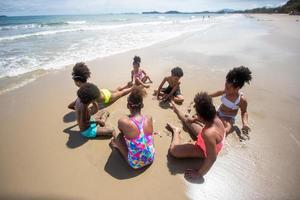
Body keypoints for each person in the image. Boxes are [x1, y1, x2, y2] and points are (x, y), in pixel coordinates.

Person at [167, 92, 225, 180]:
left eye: (197, 113)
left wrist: (199, 173)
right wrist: (194, 119)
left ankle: (176, 131)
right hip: (208, 137)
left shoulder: (208, 134)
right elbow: (204, 118)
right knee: (188, 121)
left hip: (205, 149)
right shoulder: (214, 115)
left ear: (201, 116)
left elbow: (212, 158)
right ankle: (177, 110)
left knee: (174, 151)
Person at [111, 87, 155, 169]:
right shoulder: (149, 118)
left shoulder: (123, 121)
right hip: (150, 158)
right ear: (142, 105)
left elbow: (121, 132)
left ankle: (118, 147)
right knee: (145, 136)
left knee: (116, 136)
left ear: (128, 105)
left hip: (135, 164)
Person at [68, 62, 133, 110]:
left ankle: (132, 87)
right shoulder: (89, 84)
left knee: (121, 93)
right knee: (116, 90)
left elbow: (95, 104)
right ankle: (126, 85)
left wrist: (89, 110)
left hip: (107, 97)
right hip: (104, 91)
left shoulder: (84, 92)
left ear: (78, 82)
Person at [209, 66, 252, 136]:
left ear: (237, 88)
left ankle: (219, 137)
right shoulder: (225, 92)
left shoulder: (241, 100)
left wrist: (245, 123)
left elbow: (244, 112)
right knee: (208, 119)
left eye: (228, 88)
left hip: (229, 118)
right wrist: (206, 96)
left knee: (227, 128)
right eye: (225, 84)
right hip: (219, 112)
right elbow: (217, 93)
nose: (225, 88)